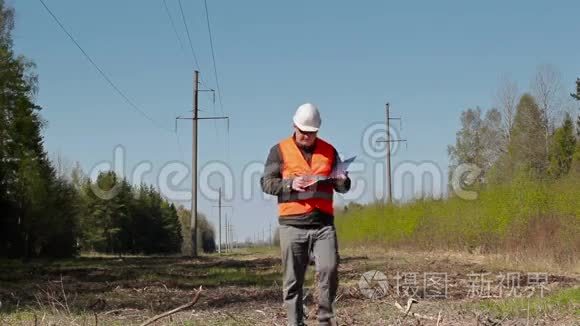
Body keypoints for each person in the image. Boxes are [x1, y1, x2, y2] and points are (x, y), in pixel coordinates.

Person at [260, 103, 351, 326]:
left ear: (317, 131)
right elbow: (266, 183)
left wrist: (342, 181)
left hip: (323, 225)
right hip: (292, 225)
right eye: (303, 132)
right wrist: (290, 184)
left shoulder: (329, 151)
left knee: (329, 270)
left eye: (311, 133)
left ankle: (325, 321)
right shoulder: (279, 150)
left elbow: (344, 186)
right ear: (294, 126)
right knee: (293, 281)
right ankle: (295, 323)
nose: (306, 137)